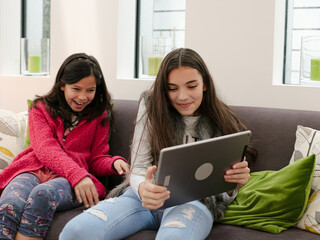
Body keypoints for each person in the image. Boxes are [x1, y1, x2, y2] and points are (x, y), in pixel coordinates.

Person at [60, 48, 256, 240]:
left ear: (204, 84)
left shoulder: (221, 120)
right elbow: (137, 167)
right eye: (172, 88)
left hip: (194, 203)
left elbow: (222, 191)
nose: (182, 96)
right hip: (140, 199)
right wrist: (144, 189)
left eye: (191, 86)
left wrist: (233, 185)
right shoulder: (151, 104)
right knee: (76, 230)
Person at [0, 53, 129, 240]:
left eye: (90, 90)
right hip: (34, 170)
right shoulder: (40, 108)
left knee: (43, 195)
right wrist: (77, 175)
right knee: (9, 204)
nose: (83, 97)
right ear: (62, 86)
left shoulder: (100, 115)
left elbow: (96, 158)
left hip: (67, 181)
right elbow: (45, 148)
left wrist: (113, 163)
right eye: (76, 88)